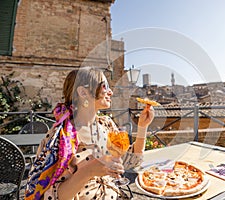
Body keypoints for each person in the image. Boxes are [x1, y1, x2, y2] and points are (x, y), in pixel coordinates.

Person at [25, 67, 155, 200]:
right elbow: (50, 196)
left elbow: (131, 160)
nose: (110, 92)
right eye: (105, 86)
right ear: (83, 92)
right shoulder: (61, 138)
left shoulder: (106, 124)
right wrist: (89, 171)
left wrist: (142, 127)